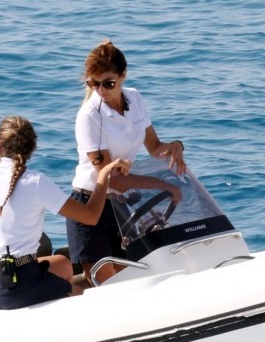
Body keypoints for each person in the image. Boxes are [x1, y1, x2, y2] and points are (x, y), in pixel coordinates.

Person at [0, 115, 130, 309]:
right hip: (17, 287)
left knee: (62, 263)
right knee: (83, 299)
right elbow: (91, 217)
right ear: (32, 148)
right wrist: (103, 176)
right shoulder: (35, 182)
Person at [68, 39, 186, 285]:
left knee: (130, 281)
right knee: (104, 286)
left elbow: (154, 147)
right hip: (91, 202)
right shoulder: (89, 117)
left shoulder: (135, 98)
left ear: (123, 76)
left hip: (121, 206)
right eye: (94, 83)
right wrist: (165, 186)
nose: (101, 90)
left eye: (108, 83)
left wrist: (175, 146)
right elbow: (113, 179)